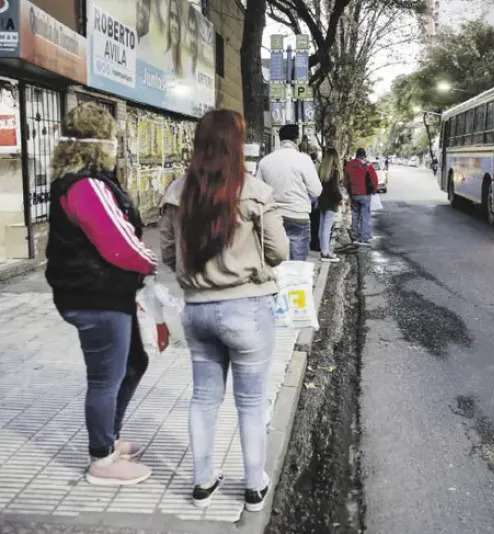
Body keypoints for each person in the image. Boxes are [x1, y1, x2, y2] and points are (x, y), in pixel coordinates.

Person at [160, 110, 289, 511]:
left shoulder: (176, 192)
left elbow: (168, 253)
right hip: (247, 309)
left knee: (203, 399)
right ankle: (253, 487)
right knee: (250, 403)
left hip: (196, 311)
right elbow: (279, 251)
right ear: (236, 146)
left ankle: (203, 483)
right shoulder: (254, 191)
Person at [45, 102, 159, 486]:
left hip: (100, 293)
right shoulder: (87, 186)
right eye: (113, 137)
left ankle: (108, 438)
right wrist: (152, 264)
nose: (117, 144)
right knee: (106, 379)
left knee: (132, 364)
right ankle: (102, 460)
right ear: (101, 141)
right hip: (96, 297)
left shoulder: (79, 180)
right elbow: (118, 245)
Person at [255, 124, 322, 261]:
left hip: (273, 216)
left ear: (280, 139)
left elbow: (258, 191)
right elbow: (316, 190)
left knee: (276, 262)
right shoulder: (304, 160)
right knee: (297, 264)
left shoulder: (265, 161)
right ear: (296, 139)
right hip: (298, 215)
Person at [344, 148, 379, 246]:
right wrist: (374, 190)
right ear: (364, 155)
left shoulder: (349, 165)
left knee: (355, 215)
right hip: (365, 194)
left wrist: (349, 191)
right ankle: (364, 238)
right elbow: (374, 180)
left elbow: (345, 181)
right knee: (365, 216)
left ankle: (354, 235)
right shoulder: (367, 166)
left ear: (356, 155)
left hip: (354, 194)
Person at [318, 147, 344, 262]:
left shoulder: (322, 170)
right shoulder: (336, 171)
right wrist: (340, 198)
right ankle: (325, 253)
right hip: (331, 202)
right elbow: (335, 189)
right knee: (327, 228)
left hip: (322, 201)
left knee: (322, 227)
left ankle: (323, 250)